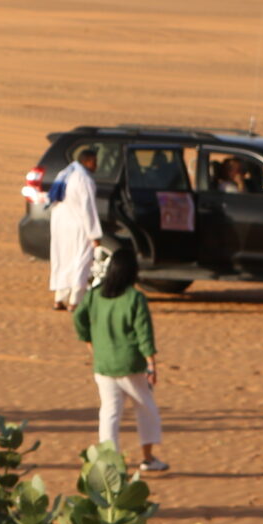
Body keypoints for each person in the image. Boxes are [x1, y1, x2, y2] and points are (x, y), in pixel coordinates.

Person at [74, 243, 165, 471]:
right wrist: (151, 363)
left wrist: (88, 341)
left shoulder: (95, 295)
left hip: (103, 364)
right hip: (130, 365)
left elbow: (78, 318)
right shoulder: (134, 298)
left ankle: (109, 462)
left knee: (109, 413)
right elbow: (144, 333)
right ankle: (148, 458)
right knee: (146, 409)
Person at [49, 146, 102, 310]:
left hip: (61, 226)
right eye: (95, 162)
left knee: (63, 260)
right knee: (81, 261)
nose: (97, 166)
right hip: (79, 227)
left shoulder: (64, 174)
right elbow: (88, 208)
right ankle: (75, 301)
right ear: (88, 161)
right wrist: (94, 235)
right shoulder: (84, 179)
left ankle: (59, 299)